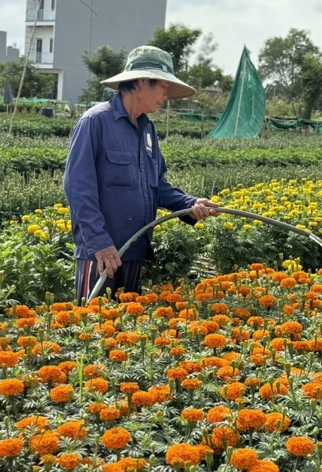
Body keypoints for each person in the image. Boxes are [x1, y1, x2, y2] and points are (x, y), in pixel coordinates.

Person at [64, 45, 219, 303]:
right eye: (163, 87)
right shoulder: (96, 122)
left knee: (127, 329)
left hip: (134, 248)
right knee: (91, 333)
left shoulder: (147, 130)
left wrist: (189, 204)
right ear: (143, 82)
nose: (165, 95)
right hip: (102, 252)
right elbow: (77, 188)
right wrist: (100, 242)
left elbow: (156, 185)